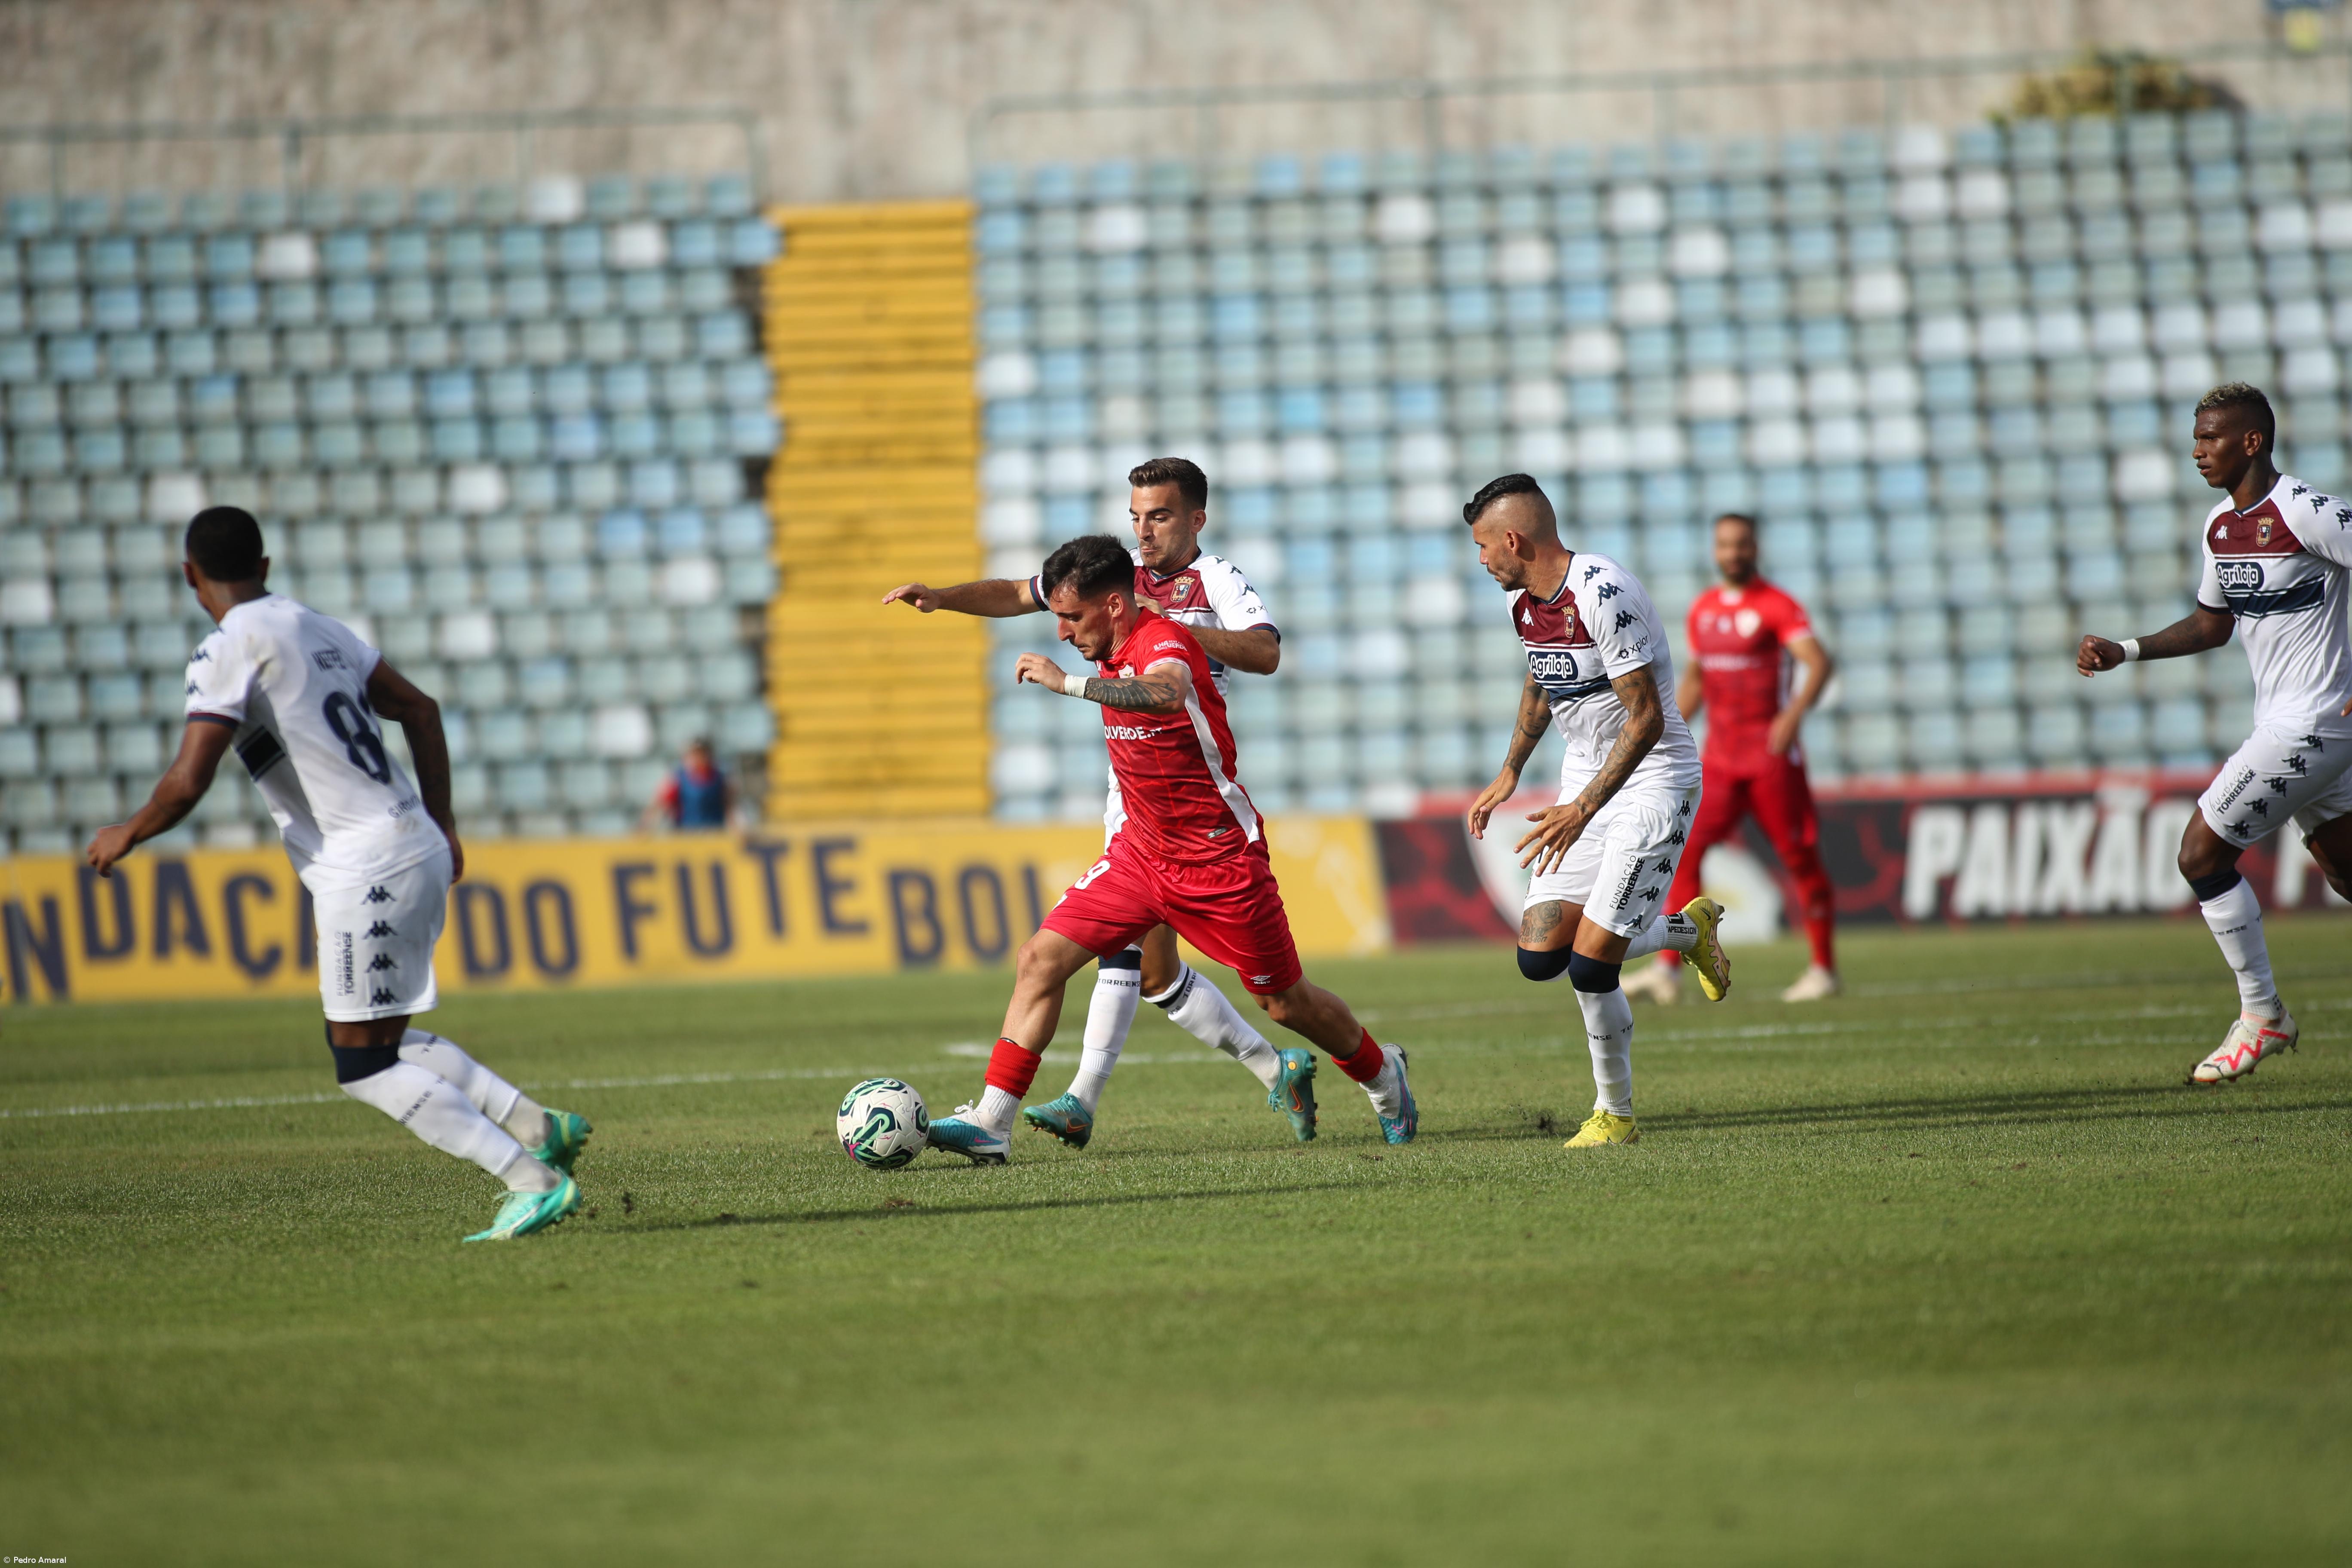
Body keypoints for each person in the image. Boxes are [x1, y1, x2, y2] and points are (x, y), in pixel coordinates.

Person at [83, 506, 592, 1242]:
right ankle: (538, 1125)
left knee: (365, 1067)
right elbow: (420, 709)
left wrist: (127, 830)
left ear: (191, 575)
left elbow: (190, 778)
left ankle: (531, 1178)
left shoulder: (227, 648)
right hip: (408, 839)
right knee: (375, 1038)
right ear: (266, 563)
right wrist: (445, 823)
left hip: (366, 864)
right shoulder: (319, 627)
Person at [916, 532, 1415, 1164]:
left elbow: (1166, 691)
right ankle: (993, 1122)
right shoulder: (1105, 625)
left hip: (1218, 861)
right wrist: (941, 598)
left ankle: (1381, 1076)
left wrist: (1068, 686)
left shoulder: (1165, 642)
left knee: (1286, 1002)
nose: (1063, 632)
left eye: (1073, 618)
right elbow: (1018, 594)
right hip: (1140, 854)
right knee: (1040, 961)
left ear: (1116, 606)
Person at [882, 457, 1311, 1147]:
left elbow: (1265, 653)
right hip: (1131, 774)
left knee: (1129, 952)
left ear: (1196, 519)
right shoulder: (1115, 578)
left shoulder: (1217, 581)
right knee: (1156, 971)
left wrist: (1162, 634)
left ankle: (1071, 1100)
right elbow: (1021, 593)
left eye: (1161, 516)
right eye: (1136, 516)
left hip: (1191, 777)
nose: (1144, 531)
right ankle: (1272, 1066)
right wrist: (943, 597)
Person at [2078, 383, 2352, 1085]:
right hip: (2290, 723)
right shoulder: (2219, 526)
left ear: (2251, 441)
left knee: (2201, 853)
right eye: (2196, 438)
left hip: (2315, 721)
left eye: (2210, 438)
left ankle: (2261, 1014)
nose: (2197, 450)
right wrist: (2126, 649)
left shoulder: (2305, 511)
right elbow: (2212, 623)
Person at [1462, 475, 1732, 1149]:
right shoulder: (1523, 602)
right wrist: (1511, 771)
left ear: (1514, 540)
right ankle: (1684, 930)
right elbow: (1539, 681)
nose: (1481, 559)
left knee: (1591, 968)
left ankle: (1616, 1114)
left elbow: (1644, 720)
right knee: (1539, 957)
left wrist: (1582, 808)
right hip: (1584, 780)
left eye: (1483, 546)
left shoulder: (1604, 595)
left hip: (1652, 781)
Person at [1624, 512, 1840, 1005]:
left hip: (1769, 757)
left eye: (1741, 544)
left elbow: (1819, 662)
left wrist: (1792, 716)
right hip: (1720, 759)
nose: (1733, 553)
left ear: (1755, 548)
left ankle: (1823, 969)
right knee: (1684, 853)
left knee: (1799, 857)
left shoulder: (1777, 605)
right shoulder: (1703, 611)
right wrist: (1668, 726)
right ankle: (1668, 972)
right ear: (1715, 550)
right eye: (1725, 545)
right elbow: (1699, 679)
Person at [639, 736, 734, 832]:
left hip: (715, 836)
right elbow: (660, 804)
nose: (698, 758)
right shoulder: (677, 779)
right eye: (694, 754)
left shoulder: (720, 778)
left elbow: (731, 807)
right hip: (686, 837)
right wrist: (646, 826)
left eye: (702, 754)